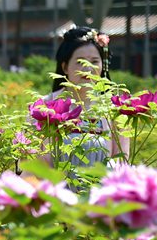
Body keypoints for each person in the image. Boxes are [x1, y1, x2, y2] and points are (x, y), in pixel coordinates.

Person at [44, 26, 129, 167]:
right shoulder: (44, 106)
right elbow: (31, 160)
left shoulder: (114, 110)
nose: (88, 68)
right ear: (65, 67)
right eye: (80, 61)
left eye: (95, 61)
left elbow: (122, 162)